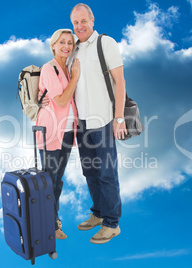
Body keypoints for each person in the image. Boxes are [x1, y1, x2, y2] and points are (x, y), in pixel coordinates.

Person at [68, 3, 127, 244]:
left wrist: (119, 117)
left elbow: (120, 82)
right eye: (75, 23)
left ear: (92, 20)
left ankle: (112, 224)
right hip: (81, 122)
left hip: (103, 120)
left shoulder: (106, 43)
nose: (79, 26)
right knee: (90, 172)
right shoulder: (73, 50)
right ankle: (98, 213)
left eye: (83, 21)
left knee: (107, 174)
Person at [35, 29, 80, 240]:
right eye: (62, 42)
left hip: (68, 130)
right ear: (53, 45)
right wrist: (76, 78)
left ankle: (52, 218)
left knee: (58, 180)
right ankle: (50, 224)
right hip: (51, 131)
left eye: (70, 43)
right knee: (49, 180)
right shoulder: (48, 68)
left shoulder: (68, 68)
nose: (66, 46)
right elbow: (61, 100)